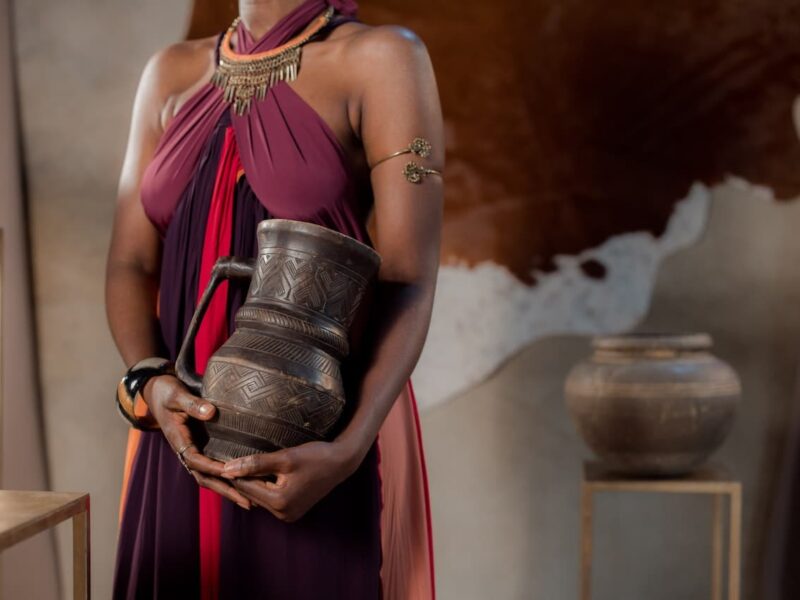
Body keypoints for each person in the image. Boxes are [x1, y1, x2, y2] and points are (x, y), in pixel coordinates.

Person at [105, 0, 443, 598]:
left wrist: (346, 451)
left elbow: (409, 278)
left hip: (318, 434)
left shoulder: (382, 59)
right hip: (177, 430)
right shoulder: (170, 72)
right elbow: (131, 264)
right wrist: (150, 384)